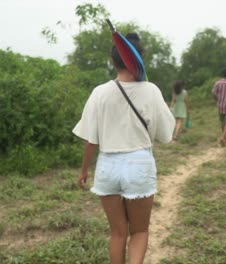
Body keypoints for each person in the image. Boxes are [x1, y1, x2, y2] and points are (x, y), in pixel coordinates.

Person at [72, 33, 175, 264]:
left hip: (107, 167)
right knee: (139, 232)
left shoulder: (99, 92)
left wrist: (83, 171)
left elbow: (91, 140)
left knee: (117, 233)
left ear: (113, 60)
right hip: (139, 165)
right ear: (139, 58)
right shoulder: (151, 90)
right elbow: (166, 135)